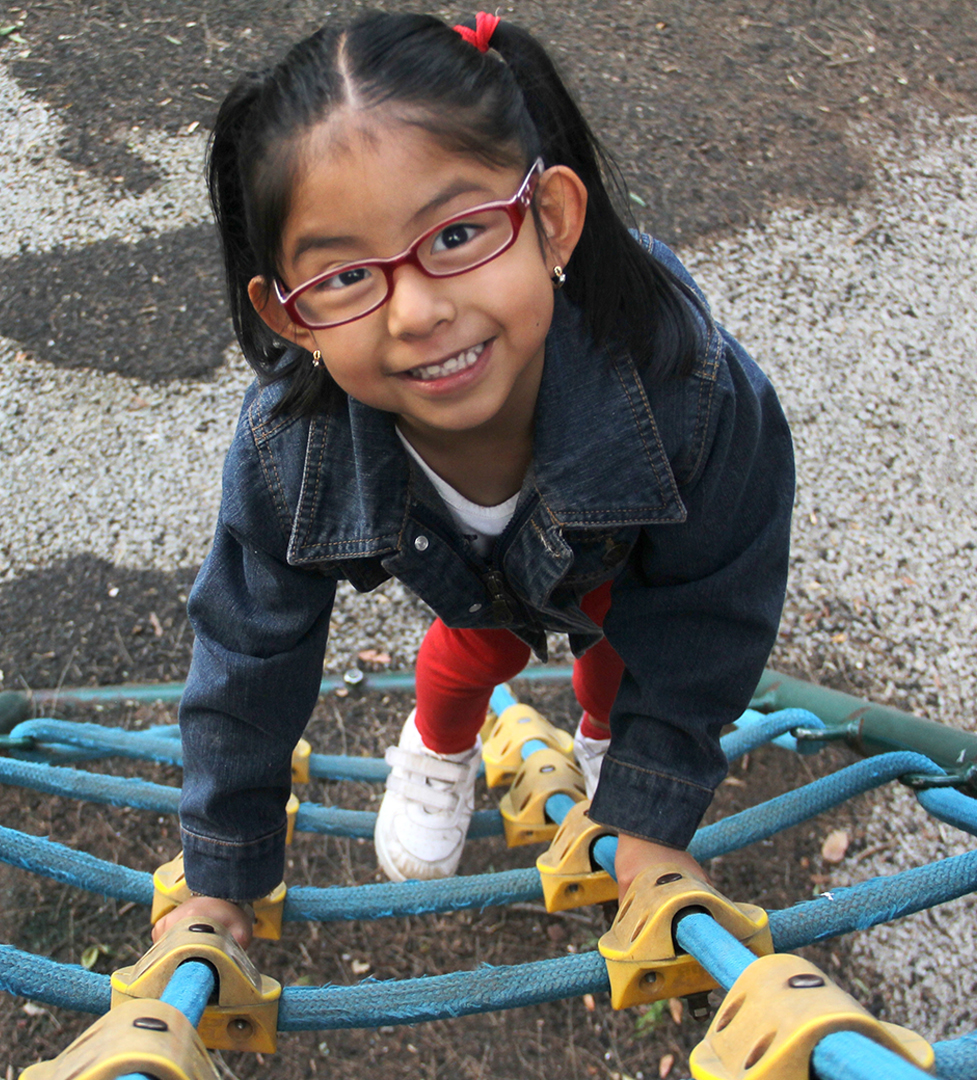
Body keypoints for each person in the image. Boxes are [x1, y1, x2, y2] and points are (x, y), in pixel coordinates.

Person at [157, 11, 794, 946]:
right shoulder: (290, 448)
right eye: (342, 278)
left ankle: (612, 747)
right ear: (288, 316)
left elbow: (712, 602)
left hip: (624, 561)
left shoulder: (686, 386)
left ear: (551, 220)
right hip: (476, 588)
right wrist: (222, 874)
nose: (416, 312)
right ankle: (439, 744)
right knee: (476, 655)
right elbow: (247, 656)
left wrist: (650, 813)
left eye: (457, 236)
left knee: (627, 661)